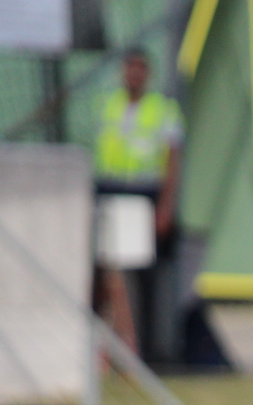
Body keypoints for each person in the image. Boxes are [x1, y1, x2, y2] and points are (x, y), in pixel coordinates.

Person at [92, 48, 183, 362]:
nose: (133, 75)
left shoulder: (162, 109)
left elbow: (173, 159)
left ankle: (135, 345)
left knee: (133, 276)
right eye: (129, 68)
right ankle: (115, 345)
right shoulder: (109, 105)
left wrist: (166, 206)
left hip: (142, 195)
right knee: (108, 272)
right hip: (109, 191)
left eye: (140, 69)